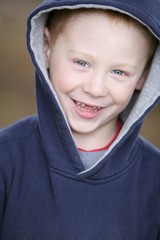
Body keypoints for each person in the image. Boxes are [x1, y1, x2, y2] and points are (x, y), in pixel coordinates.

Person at [0, 0, 160, 239]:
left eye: (119, 72)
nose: (95, 89)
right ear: (46, 47)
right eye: (82, 63)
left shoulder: (154, 178)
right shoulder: (6, 158)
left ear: (144, 76)